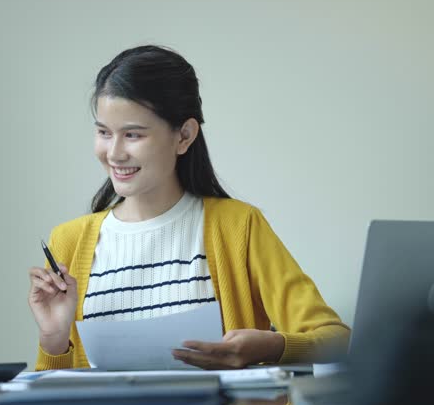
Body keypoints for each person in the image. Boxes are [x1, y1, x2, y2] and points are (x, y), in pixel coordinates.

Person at [27, 45, 350, 372]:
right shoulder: (68, 242)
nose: (114, 153)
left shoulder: (239, 227)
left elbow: (336, 339)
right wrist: (53, 339)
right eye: (103, 133)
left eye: (133, 135)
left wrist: (271, 346)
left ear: (184, 135)